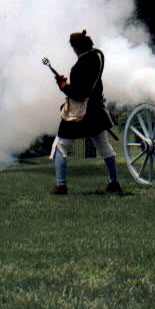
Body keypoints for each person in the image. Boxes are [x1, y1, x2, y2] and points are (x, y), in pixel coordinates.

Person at [51, 30, 121, 195]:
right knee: (104, 145)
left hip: (80, 113)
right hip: (96, 111)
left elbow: (78, 93)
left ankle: (61, 185)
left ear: (76, 48)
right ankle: (113, 181)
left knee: (60, 146)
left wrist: (64, 87)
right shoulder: (95, 59)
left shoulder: (79, 66)